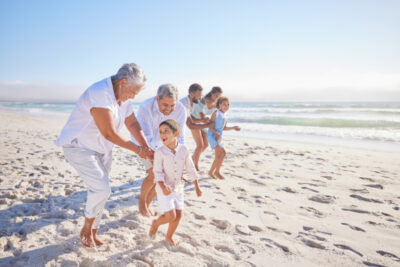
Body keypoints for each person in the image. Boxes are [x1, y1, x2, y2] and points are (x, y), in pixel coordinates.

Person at [55, 63, 153, 249]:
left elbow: (132, 123)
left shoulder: (123, 96)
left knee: (100, 192)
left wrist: (147, 147)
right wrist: (140, 151)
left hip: (103, 149)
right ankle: (86, 230)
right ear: (123, 82)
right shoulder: (100, 92)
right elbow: (109, 132)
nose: (133, 97)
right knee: (101, 189)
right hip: (79, 146)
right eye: (133, 92)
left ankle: (93, 233)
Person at [131, 84, 187, 217]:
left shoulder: (181, 109)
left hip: (164, 143)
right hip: (142, 142)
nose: (169, 109)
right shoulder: (146, 107)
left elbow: (180, 134)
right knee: (154, 174)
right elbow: (147, 137)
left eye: (172, 105)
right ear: (157, 99)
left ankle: (147, 203)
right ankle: (141, 201)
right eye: (165, 105)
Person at [149, 119, 202, 245]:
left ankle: (169, 237)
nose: (162, 135)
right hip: (164, 188)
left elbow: (190, 167)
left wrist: (196, 186)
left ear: (176, 133)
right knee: (170, 216)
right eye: (161, 132)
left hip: (178, 187)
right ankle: (156, 223)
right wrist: (162, 186)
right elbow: (157, 171)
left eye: (166, 131)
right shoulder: (159, 152)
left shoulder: (184, 149)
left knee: (178, 215)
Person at [207, 96, 241, 179]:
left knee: (223, 153)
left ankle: (213, 172)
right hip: (212, 135)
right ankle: (215, 172)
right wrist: (217, 134)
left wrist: (233, 127)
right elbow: (210, 126)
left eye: (228, 104)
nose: (226, 106)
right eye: (224, 104)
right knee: (220, 153)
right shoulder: (216, 113)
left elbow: (224, 128)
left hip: (219, 136)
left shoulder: (225, 115)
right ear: (219, 105)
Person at [191, 86, 223, 171]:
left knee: (205, 144)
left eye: (219, 96)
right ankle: (195, 165)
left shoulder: (216, 102)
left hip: (204, 122)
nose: (217, 98)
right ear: (212, 93)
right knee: (200, 145)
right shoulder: (203, 100)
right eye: (216, 96)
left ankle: (193, 158)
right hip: (195, 121)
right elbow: (200, 113)